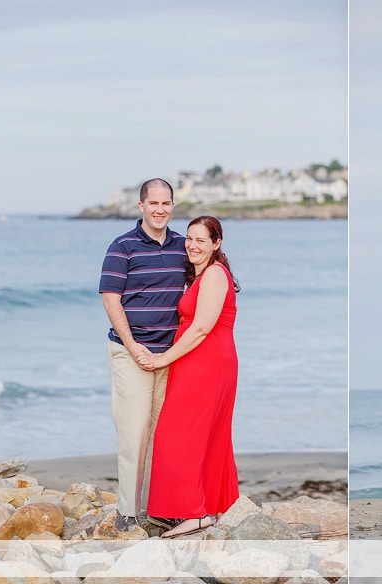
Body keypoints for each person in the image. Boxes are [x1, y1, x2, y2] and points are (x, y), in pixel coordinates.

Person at [141, 215, 241, 538]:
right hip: (196, 361)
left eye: (201, 240)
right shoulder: (199, 276)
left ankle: (196, 513)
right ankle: (202, 507)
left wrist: (162, 360)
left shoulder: (214, 274)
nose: (192, 245)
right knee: (200, 436)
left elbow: (200, 328)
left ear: (216, 243)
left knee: (178, 433)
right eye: (189, 238)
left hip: (208, 362)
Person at [99, 178, 186, 526]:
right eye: (154, 204)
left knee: (166, 435)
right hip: (129, 351)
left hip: (170, 356)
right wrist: (134, 347)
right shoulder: (122, 247)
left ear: (172, 206)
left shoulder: (183, 246)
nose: (160, 210)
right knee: (134, 433)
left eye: (166, 204)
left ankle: (164, 508)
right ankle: (128, 513)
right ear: (141, 206)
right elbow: (110, 299)